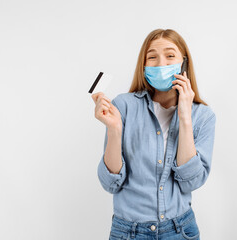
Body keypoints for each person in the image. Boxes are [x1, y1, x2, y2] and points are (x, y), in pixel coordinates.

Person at [92, 29, 216, 240]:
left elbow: (191, 182)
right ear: (144, 65)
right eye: (152, 57)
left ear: (184, 63)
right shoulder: (123, 106)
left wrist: (185, 116)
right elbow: (110, 183)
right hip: (128, 232)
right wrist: (114, 130)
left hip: (179, 231)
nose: (161, 64)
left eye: (170, 56)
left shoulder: (203, 116)